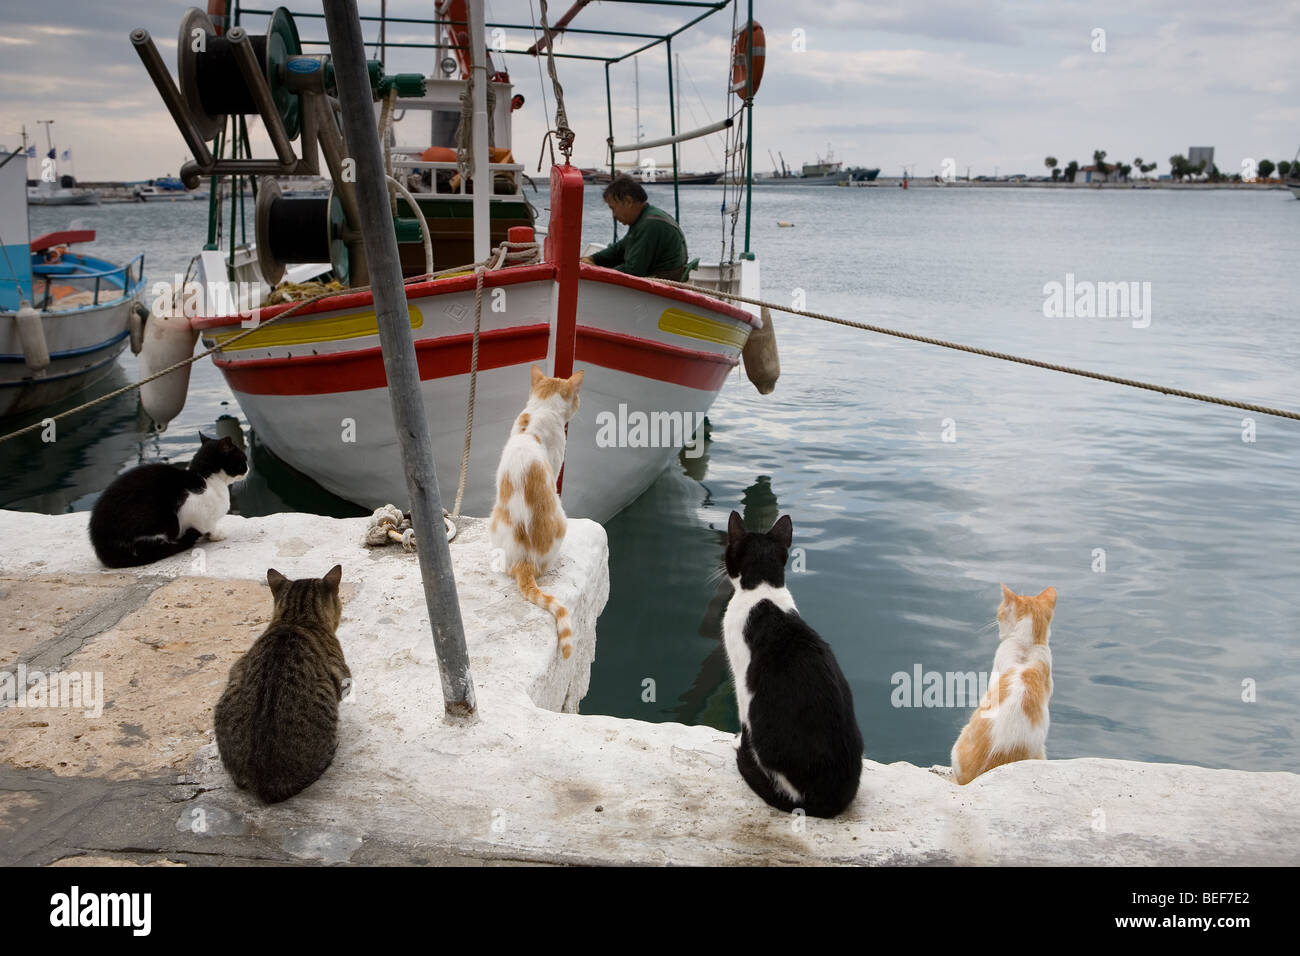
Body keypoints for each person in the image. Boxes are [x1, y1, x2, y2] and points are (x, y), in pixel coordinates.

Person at [581, 174, 688, 279]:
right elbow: (619, 249)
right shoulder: (644, 218)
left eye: (613, 208)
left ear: (628, 201)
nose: (614, 215)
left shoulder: (650, 224)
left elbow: (633, 271)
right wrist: (592, 259)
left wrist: (596, 271)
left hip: (663, 285)